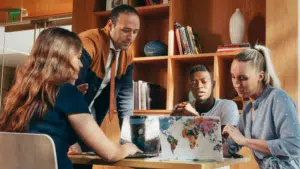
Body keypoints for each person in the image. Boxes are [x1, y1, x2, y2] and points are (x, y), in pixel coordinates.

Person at [0, 27, 141, 169]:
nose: (81, 65)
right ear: (63, 58)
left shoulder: (20, 94)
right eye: (78, 58)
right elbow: (109, 153)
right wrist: (128, 148)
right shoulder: (67, 92)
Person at [223, 45, 300, 168]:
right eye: (233, 77)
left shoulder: (278, 98)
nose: (236, 84)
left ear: (261, 76)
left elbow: (294, 146)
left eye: (243, 78)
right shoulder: (248, 109)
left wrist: (244, 141)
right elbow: (232, 145)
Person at [75, 4, 139, 129]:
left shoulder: (128, 54)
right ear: (110, 25)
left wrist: (128, 136)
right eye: (126, 30)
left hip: (91, 112)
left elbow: (125, 96)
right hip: (72, 112)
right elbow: (71, 90)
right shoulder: (88, 43)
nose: (131, 37)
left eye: (135, 32)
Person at [171, 64, 240, 126]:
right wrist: (170, 122)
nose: (199, 86)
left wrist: (195, 118)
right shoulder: (182, 109)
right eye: (194, 83)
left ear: (213, 85)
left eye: (204, 82)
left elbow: (224, 139)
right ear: (190, 87)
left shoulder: (227, 106)